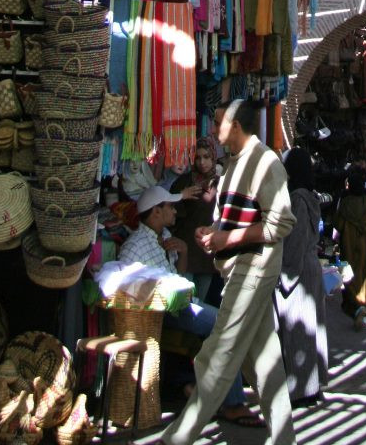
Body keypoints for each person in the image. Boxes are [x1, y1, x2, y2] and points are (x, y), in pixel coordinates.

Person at [150, 100, 297, 445]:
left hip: (254, 269)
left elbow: (281, 222)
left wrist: (224, 237)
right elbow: (231, 217)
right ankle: (284, 437)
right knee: (264, 361)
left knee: (218, 351)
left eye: (218, 123)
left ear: (235, 125)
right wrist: (212, 232)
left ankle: (179, 437)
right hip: (235, 269)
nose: (214, 130)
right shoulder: (230, 166)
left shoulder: (266, 163)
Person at [117, 185, 254, 425]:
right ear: (155, 212)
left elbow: (177, 279)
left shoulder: (168, 239)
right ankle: (231, 403)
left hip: (180, 302)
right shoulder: (135, 246)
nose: (175, 211)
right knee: (225, 325)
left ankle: (209, 391)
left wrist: (184, 253)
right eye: (170, 206)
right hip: (163, 310)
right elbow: (134, 292)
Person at [274, 146, 328, 405]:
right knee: (312, 328)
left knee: (298, 329)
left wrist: (286, 276)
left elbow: (295, 241)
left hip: (299, 270)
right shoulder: (309, 196)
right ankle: (313, 385)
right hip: (310, 266)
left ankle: (302, 390)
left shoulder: (296, 198)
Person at [170, 136, 222, 303]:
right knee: (185, 303)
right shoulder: (184, 182)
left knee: (201, 302)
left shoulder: (220, 184)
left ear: (213, 157)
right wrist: (181, 197)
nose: (202, 162)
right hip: (186, 251)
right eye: (198, 157)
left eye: (206, 157)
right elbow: (169, 211)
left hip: (207, 253)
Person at [334, 168, 366, 330]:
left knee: (350, 276)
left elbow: (338, 224)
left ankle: (356, 308)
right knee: (365, 275)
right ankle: (363, 305)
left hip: (349, 245)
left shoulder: (345, 204)